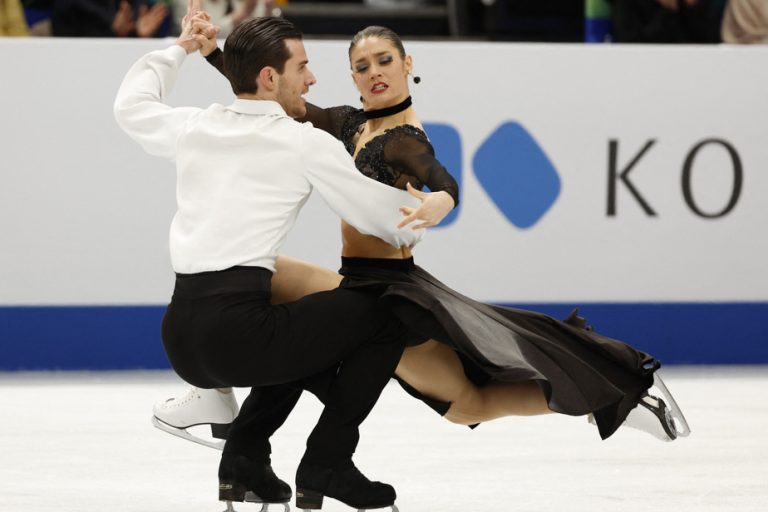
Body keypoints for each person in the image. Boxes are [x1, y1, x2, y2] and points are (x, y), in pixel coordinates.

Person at [156, 19, 690, 454]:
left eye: (385, 61)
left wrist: (445, 197)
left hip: (393, 293)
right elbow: (268, 95)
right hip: (356, 282)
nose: (374, 73)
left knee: (468, 405)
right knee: (254, 273)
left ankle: (617, 398)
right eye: (361, 67)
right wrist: (211, 54)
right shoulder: (349, 123)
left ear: (408, 64)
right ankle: (216, 398)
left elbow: (433, 170)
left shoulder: (400, 138)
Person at [114, 5, 457, 512]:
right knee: (388, 315)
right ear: (271, 77)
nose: (313, 79)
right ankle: (329, 462)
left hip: (181, 336)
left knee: (304, 334)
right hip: (240, 338)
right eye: (303, 68)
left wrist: (182, 48)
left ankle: (244, 462)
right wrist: (421, 209)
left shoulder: (195, 126)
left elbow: (131, 104)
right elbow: (376, 214)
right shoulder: (302, 143)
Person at [52, 0, 169, 37]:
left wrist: (141, 38)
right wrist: (113, 33)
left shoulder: (140, 4)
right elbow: (66, 47)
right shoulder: (71, 4)